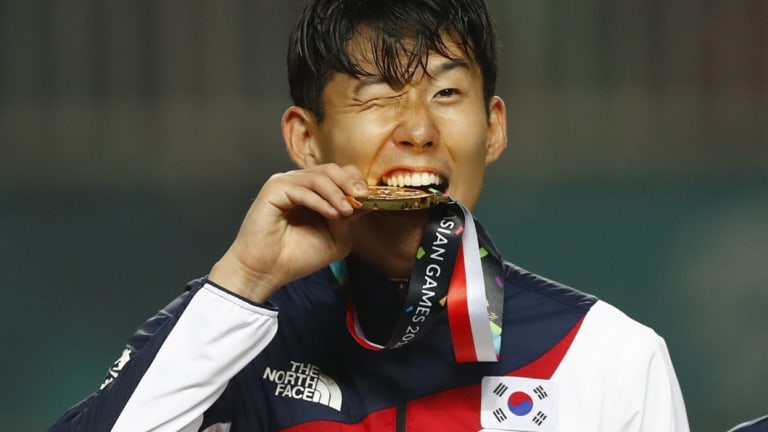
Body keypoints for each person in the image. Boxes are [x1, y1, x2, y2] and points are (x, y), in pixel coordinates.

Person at [49, 0, 690, 431]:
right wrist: (242, 281)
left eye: (446, 93)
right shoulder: (235, 340)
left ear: (493, 129)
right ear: (305, 141)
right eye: (378, 97)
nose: (418, 128)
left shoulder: (607, 358)